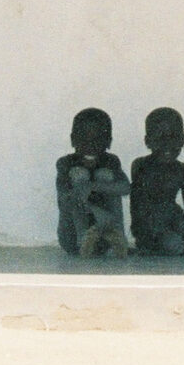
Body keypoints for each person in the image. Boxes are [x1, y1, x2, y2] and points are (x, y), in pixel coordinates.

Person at [129, 106, 184, 258]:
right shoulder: (140, 165)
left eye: (173, 137)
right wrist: (141, 234)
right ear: (148, 141)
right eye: (159, 137)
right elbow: (137, 206)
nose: (167, 144)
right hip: (151, 221)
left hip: (175, 217)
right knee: (173, 245)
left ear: (183, 139)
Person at [56, 107, 130, 258]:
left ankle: (116, 238)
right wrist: (96, 211)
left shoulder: (111, 160)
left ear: (108, 141)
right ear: (73, 139)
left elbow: (126, 188)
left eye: (98, 140)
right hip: (73, 237)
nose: (90, 145)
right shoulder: (65, 163)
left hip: (107, 229)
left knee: (104, 175)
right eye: (83, 138)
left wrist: (93, 186)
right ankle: (84, 239)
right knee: (79, 175)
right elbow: (65, 198)